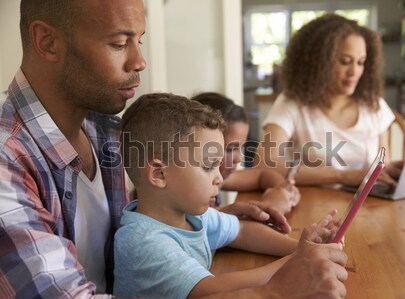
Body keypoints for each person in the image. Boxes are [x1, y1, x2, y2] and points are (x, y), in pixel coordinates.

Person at [0, 1, 348, 298]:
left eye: (140, 40)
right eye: (120, 43)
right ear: (47, 41)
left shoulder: (104, 127)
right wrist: (274, 290)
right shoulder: (7, 161)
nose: (140, 61)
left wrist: (212, 215)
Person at [114, 93, 343, 298]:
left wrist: (300, 247)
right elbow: (213, 290)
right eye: (208, 166)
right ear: (159, 173)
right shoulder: (144, 242)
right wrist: (299, 261)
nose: (220, 179)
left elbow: (242, 231)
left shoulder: (190, 216)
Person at [254, 13, 403, 187]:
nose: (354, 72)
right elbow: (264, 163)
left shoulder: (373, 105)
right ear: (318, 62)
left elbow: (382, 165)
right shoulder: (292, 104)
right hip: (314, 207)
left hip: (369, 207)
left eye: (361, 62)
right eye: (345, 61)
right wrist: (342, 176)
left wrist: (394, 170)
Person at [192, 92, 300, 215]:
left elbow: (262, 176)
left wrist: (282, 188)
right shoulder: (194, 192)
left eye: (241, 147)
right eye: (230, 149)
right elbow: (216, 222)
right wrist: (268, 206)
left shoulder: (219, 178)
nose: (239, 158)